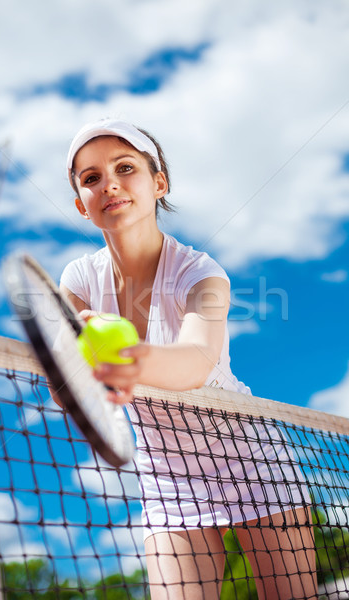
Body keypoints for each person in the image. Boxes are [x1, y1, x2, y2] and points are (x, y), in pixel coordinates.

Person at [59, 118, 317, 599]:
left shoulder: (201, 273)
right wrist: (77, 369)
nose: (109, 183)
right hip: (168, 481)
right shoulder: (77, 280)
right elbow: (66, 389)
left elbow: (197, 359)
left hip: (252, 461)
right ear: (82, 205)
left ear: (159, 183)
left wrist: (126, 359)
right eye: (91, 178)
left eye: (125, 167)